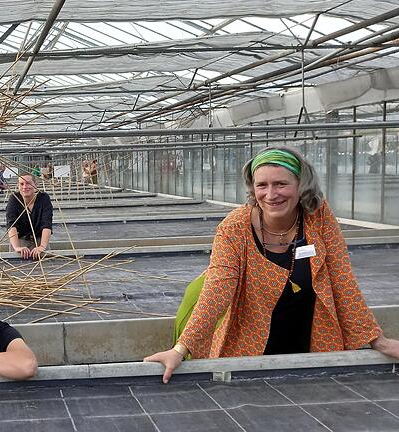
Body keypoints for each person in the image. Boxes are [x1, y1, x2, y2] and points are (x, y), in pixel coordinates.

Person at [145, 146, 399, 383]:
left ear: (301, 186)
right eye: (262, 185)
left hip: (311, 339)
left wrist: (378, 341)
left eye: (281, 184)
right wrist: (181, 349)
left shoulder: (318, 216)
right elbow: (218, 288)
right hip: (249, 347)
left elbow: (341, 279)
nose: (271, 194)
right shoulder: (234, 228)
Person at [6, 173, 53, 260]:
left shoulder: (44, 198)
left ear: (35, 185)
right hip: (20, 240)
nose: (25, 187)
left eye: (28, 183)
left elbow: (47, 224)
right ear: (18, 186)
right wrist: (16, 247)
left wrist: (42, 246)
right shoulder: (14, 199)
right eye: (21, 184)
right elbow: (11, 225)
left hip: (40, 239)